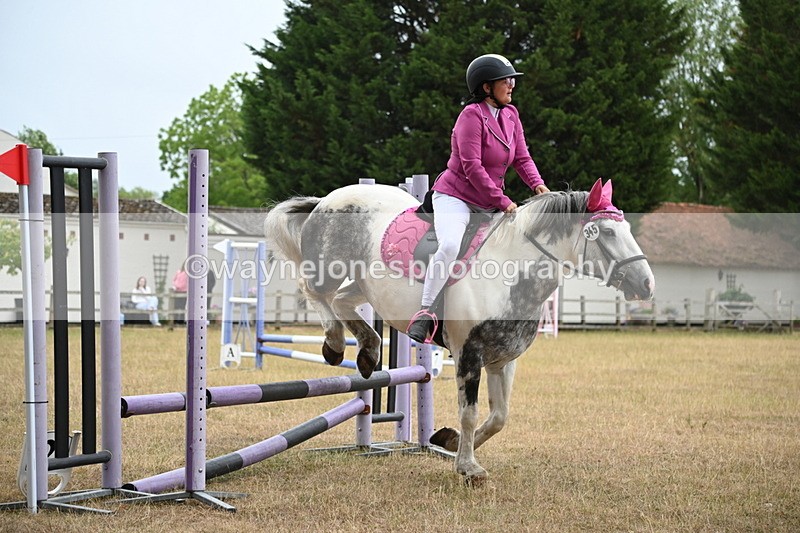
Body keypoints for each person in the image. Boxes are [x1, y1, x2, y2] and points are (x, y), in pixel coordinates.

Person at [406, 53, 550, 343]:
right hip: (455, 196)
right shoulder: (470, 117)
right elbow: (472, 167)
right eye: (505, 80)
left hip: (489, 200)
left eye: (512, 80)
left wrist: (538, 185)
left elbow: (522, 157)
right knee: (449, 246)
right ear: (486, 87)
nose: (511, 85)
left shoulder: (511, 116)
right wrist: (503, 201)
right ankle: (426, 312)